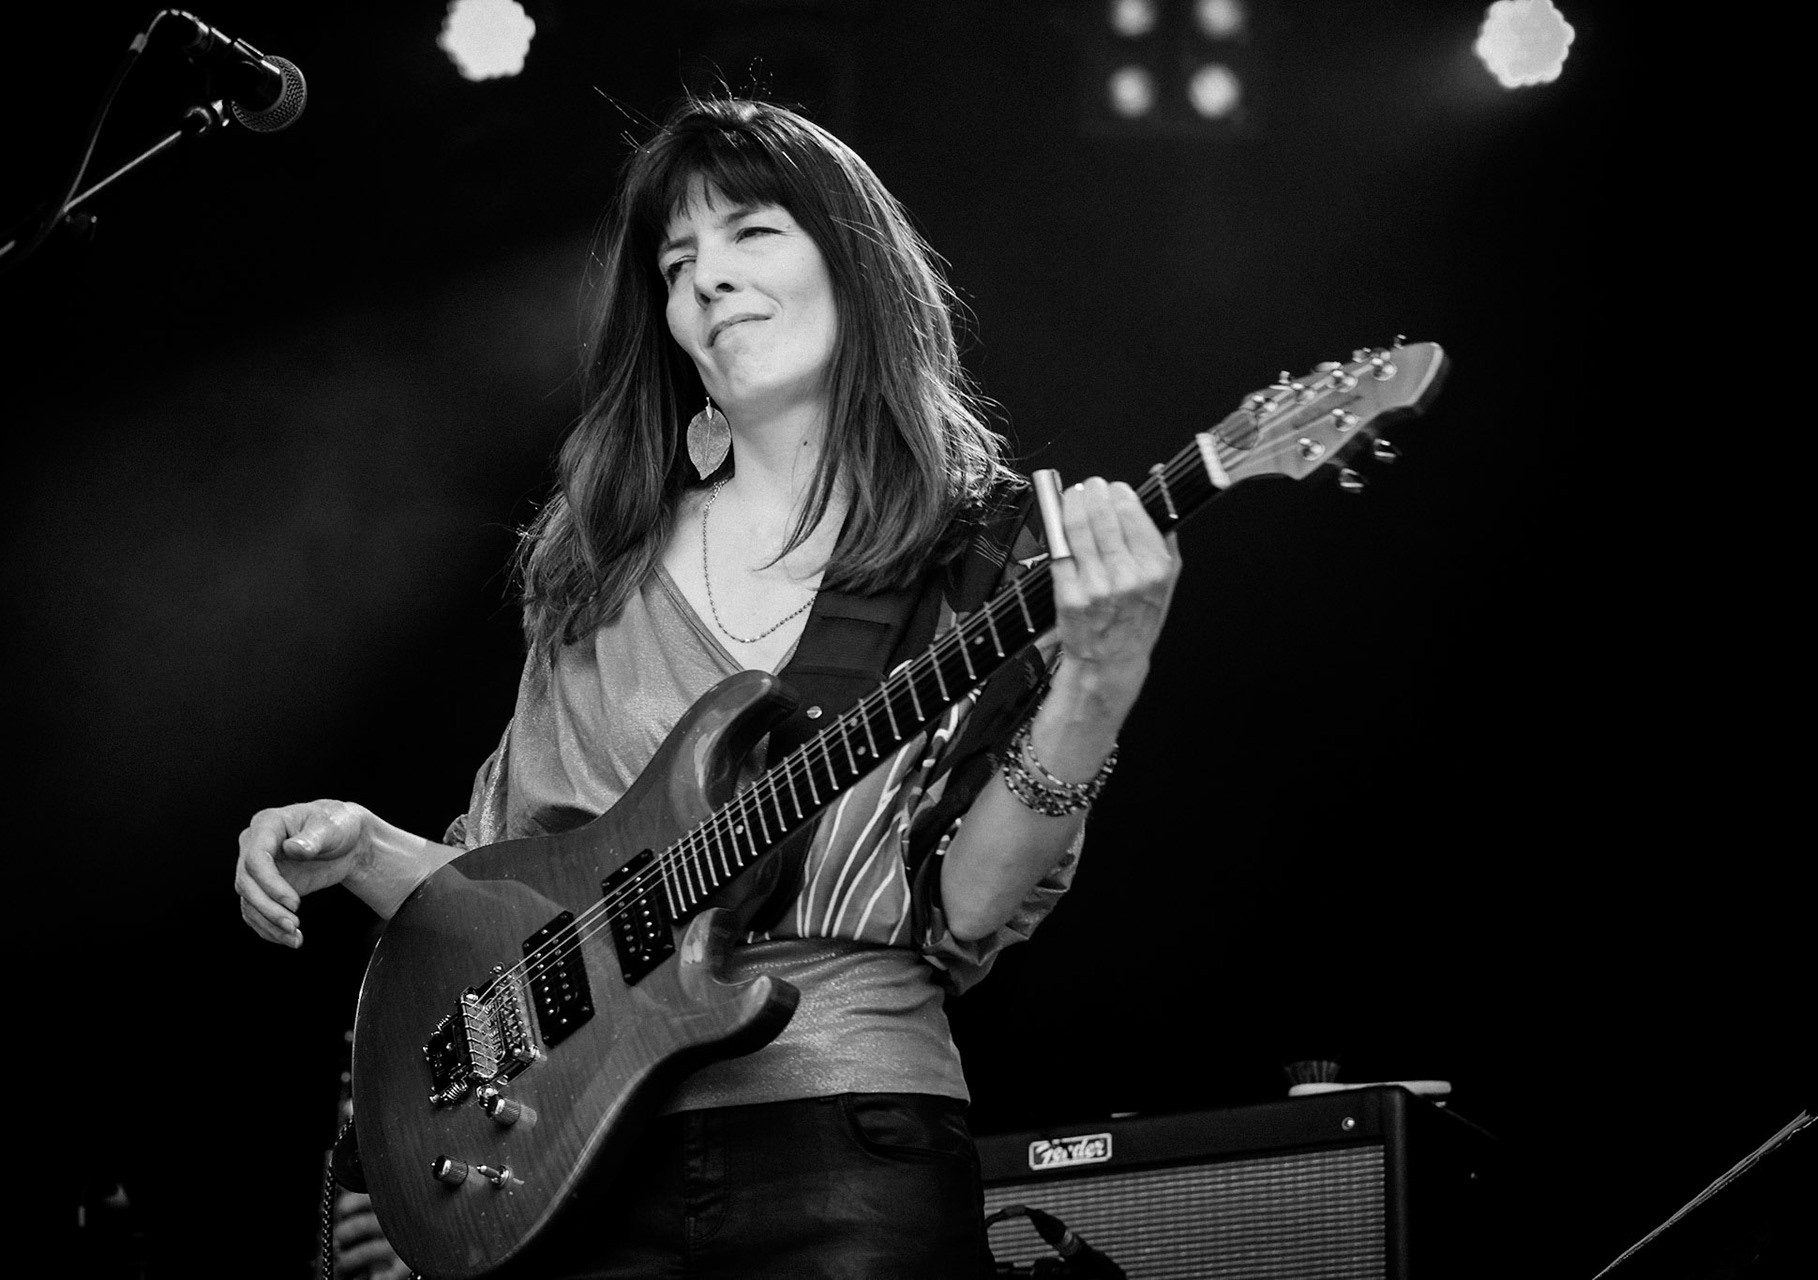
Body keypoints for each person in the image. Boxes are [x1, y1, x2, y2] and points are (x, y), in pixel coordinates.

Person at [235, 96, 1179, 1278]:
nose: (709, 279)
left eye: (751, 233)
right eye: (679, 262)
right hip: (571, 1170)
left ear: (855, 261)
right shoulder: (602, 558)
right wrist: (365, 847)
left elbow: (976, 905)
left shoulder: (985, 546)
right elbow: (529, 902)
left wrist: (1100, 675)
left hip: (847, 1137)